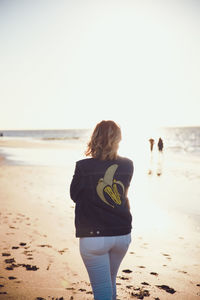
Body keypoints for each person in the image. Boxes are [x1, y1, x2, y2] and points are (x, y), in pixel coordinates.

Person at [70, 120, 134, 300]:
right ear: (119, 139)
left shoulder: (83, 166)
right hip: (122, 234)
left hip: (94, 236)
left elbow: (74, 195)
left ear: (94, 139)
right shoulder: (128, 164)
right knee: (110, 281)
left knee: (102, 289)